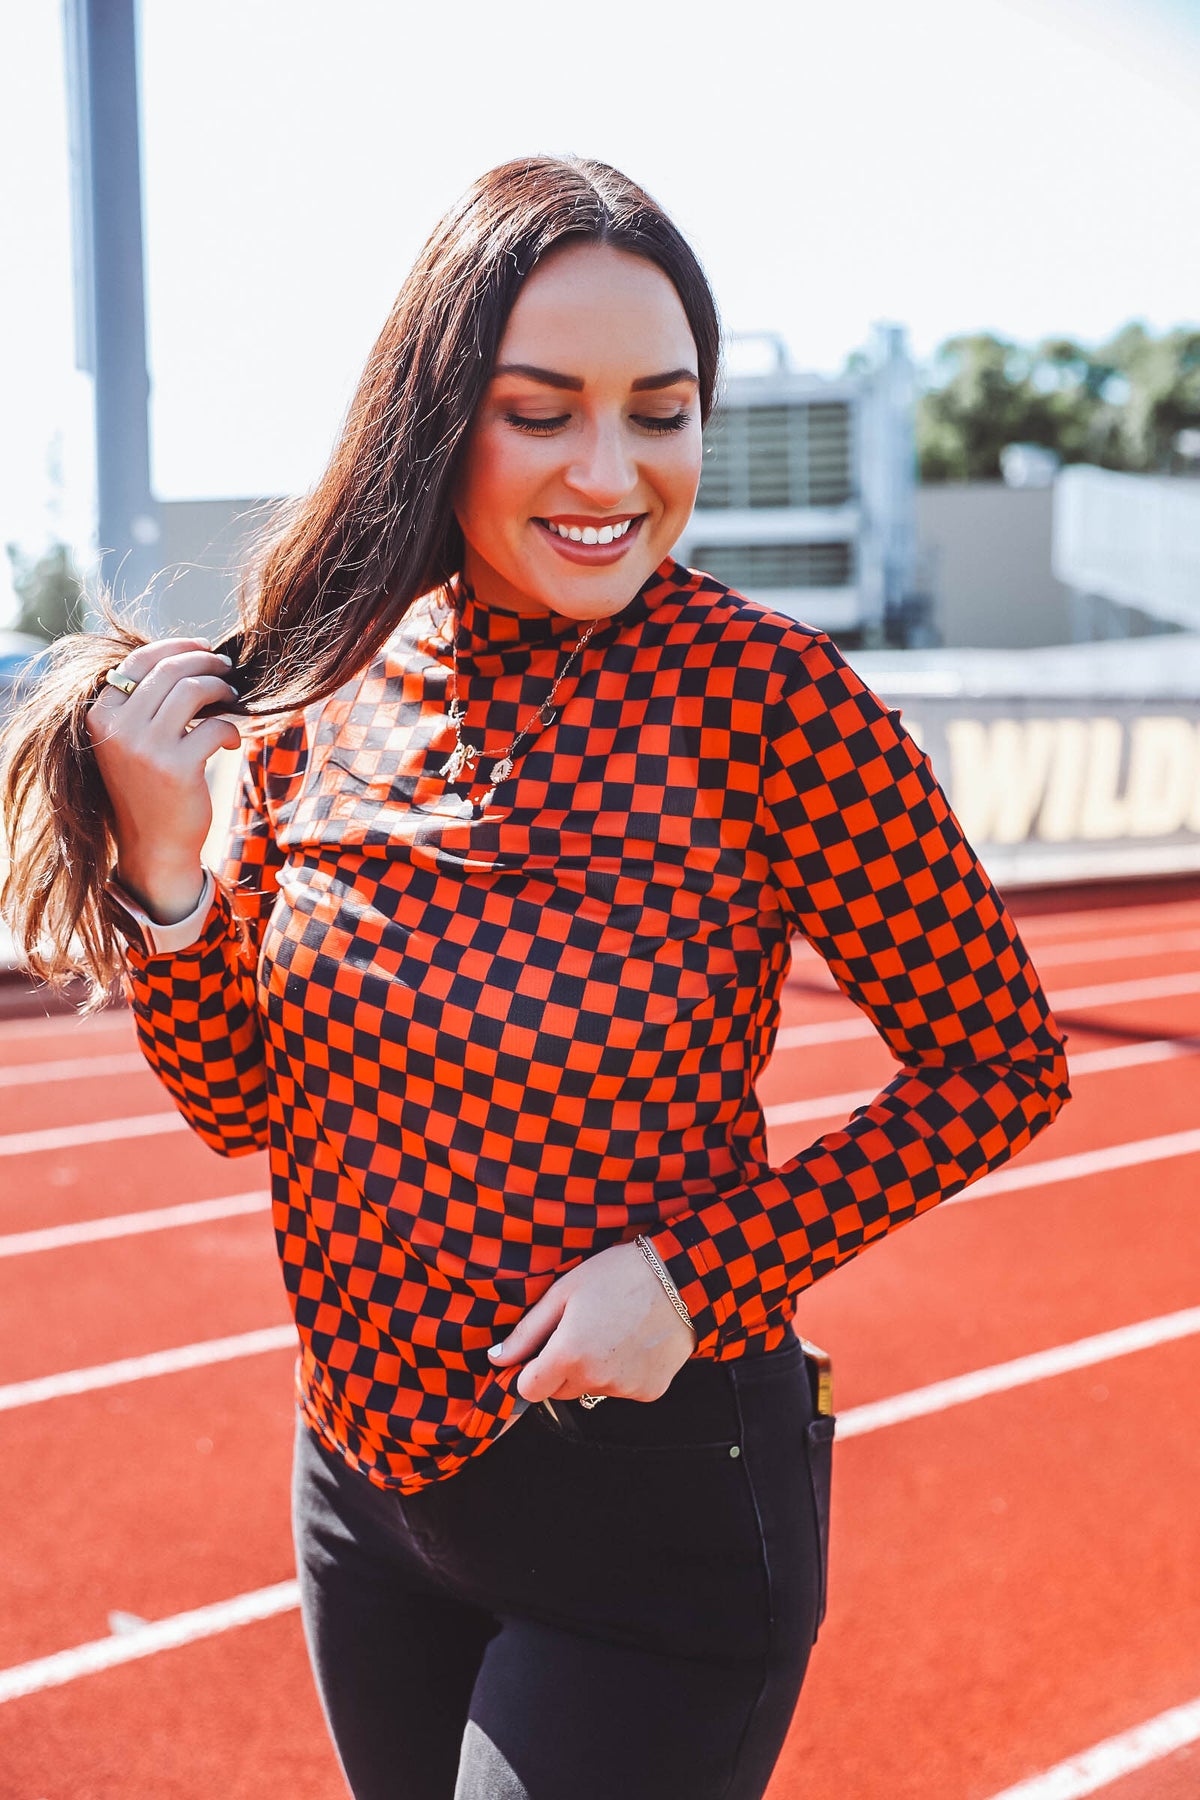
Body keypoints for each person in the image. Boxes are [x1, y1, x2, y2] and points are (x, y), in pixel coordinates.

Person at [0, 156, 1070, 1800]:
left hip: (653, 1521)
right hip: (363, 1501)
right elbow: (237, 1111)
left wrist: (700, 1277)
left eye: (662, 411)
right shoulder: (329, 675)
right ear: (444, 415)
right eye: (543, 409)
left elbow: (1003, 1063)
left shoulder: (774, 706)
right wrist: (164, 874)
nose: (611, 470)